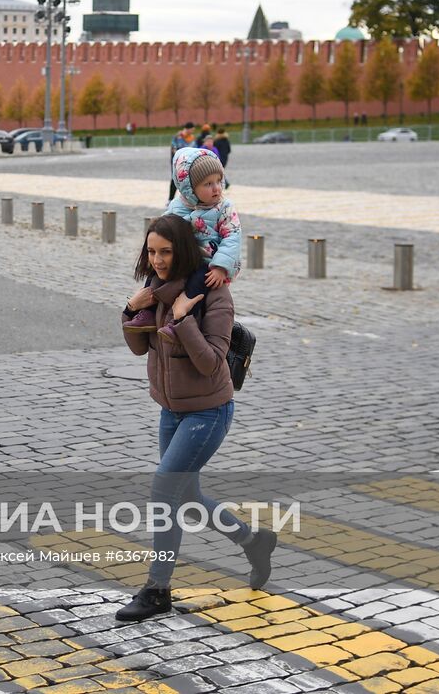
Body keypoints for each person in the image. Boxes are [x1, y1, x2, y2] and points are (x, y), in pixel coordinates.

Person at [115, 213, 275, 622]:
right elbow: (138, 349)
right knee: (186, 496)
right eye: (151, 251)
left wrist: (184, 318)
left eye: (165, 252)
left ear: (183, 250)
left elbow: (211, 362)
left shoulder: (213, 295)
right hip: (172, 411)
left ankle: (157, 591)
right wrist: (132, 308)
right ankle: (253, 541)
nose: (157, 260)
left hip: (209, 411)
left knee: (163, 492)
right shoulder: (155, 290)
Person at [126, 148, 241, 341]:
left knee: (198, 283)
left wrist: (221, 266)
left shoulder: (224, 208)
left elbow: (233, 237)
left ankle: (182, 319)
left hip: (208, 262)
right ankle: (147, 312)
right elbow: (164, 229)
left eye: (219, 181)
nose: (217, 188)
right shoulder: (177, 205)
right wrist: (154, 255)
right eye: (208, 184)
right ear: (189, 188)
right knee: (156, 272)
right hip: (182, 257)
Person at [168, 122, 194, 204]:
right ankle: (170, 199)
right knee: (175, 179)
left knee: (187, 180)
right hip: (177, 162)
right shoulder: (178, 137)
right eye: (192, 129)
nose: (192, 131)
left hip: (188, 162)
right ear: (188, 129)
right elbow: (173, 148)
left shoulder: (192, 138)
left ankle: (186, 199)